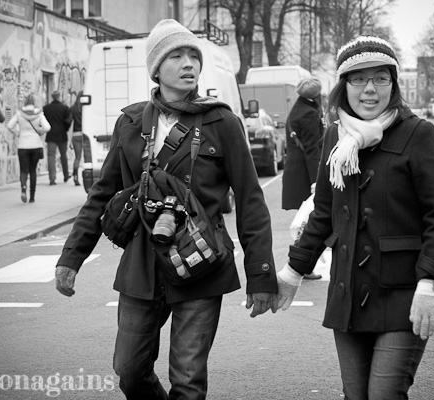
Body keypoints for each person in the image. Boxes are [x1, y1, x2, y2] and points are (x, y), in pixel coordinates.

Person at [55, 19, 277, 399]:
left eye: (193, 55)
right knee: (129, 371)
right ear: (157, 68)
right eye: (177, 55)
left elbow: (251, 200)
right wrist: (70, 258)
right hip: (142, 264)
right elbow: (101, 194)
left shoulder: (222, 122)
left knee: (188, 382)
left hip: (203, 262)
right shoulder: (130, 122)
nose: (189, 63)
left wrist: (260, 274)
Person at [276, 36, 434, 399]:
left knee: (384, 394)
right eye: (358, 79)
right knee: (355, 395)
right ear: (344, 86)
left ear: (394, 83)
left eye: (380, 78)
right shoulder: (334, 137)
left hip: (403, 294)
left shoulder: (419, 134)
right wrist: (293, 271)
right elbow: (323, 213)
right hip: (348, 294)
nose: (370, 89)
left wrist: (430, 284)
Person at [282, 77, 324, 280]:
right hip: (304, 174)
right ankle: (302, 266)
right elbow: (311, 150)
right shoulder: (309, 114)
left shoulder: (297, 109)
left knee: (306, 222)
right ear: (316, 95)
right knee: (308, 223)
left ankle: (301, 264)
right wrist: (316, 181)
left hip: (295, 171)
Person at [7, 94, 51, 203]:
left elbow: (9, 125)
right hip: (35, 145)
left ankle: (23, 188)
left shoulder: (19, 113)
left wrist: (17, 132)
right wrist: (40, 131)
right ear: (34, 102)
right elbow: (47, 127)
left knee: (24, 170)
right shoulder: (39, 114)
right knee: (33, 170)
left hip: (23, 145)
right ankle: (32, 196)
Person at [43, 90, 72, 185]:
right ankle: (66, 175)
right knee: (63, 155)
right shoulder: (64, 108)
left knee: (51, 156)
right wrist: (65, 129)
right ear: (59, 97)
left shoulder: (46, 108)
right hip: (62, 134)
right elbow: (68, 121)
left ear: (52, 97)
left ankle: (52, 178)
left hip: (51, 134)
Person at [69, 91, 83, 186]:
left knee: (77, 157)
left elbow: (69, 123)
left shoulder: (73, 108)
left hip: (75, 135)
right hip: (85, 134)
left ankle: (75, 175)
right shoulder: (87, 107)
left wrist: (69, 140)